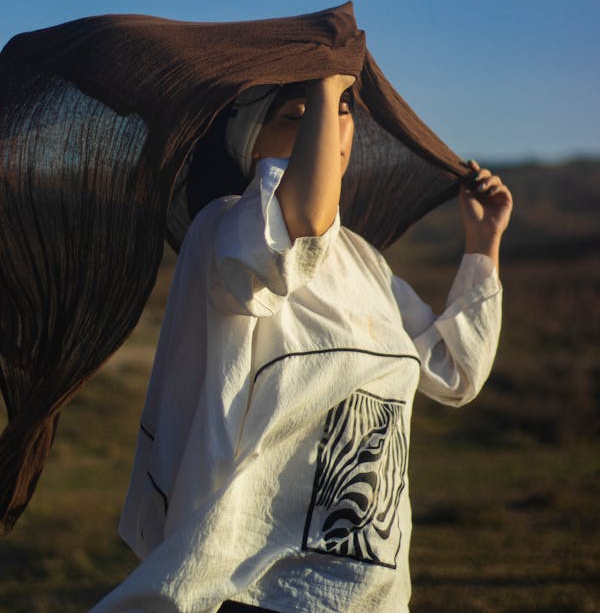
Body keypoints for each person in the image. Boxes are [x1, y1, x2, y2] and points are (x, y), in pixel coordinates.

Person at [91, 74, 513, 613]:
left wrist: (482, 245)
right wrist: (327, 78)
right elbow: (302, 228)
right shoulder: (228, 229)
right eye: (299, 114)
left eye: (343, 108)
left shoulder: (364, 261)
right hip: (258, 590)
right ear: (251, 143)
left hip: (373, 594)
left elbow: (456, 371)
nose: (332, 126)